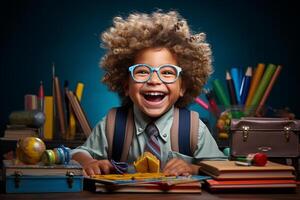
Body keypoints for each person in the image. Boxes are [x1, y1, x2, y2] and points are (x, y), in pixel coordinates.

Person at [71, 10, 226, 176]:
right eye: (142, 71)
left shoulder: (194, 129)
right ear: (126, 85)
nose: (154, 80)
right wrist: (90, 162)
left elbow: (221, 168)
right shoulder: (112, 124)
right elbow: (78, 154)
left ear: (182, 87)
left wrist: (193, 168)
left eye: (167, 72)